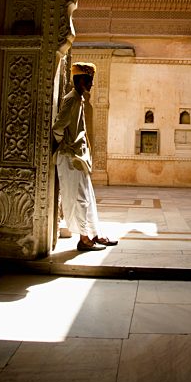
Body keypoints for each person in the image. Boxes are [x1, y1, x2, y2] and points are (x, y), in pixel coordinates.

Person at [52, 61, 118, 251]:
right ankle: (84, 240)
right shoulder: (72, 99)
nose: (91, 84)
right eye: (89, 80)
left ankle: (95, 234)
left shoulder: (78, 99)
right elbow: (58, 126)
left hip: (78, 156)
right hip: (71, 156)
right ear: (80, 80)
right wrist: (63, 145)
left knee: (87, 197)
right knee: (79, 199)